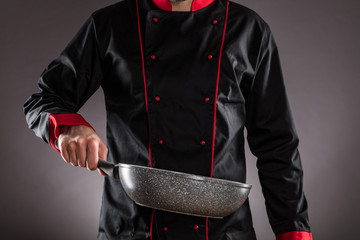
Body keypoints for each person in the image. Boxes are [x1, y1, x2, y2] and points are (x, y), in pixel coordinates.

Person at [23, 0, 312, 239]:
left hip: (223, 232)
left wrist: (293, 232)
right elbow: (44, 99)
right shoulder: (110, 25)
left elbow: (277, 145)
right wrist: (68, 126)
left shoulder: (249, 30)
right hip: (133, 230)